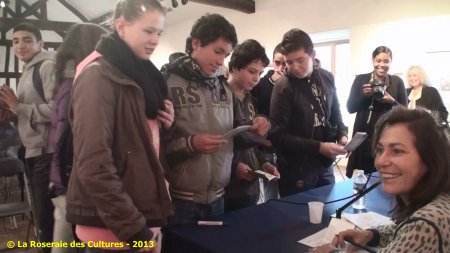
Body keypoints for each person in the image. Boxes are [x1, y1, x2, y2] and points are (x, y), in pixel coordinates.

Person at [65, 0, 174, 252]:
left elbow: (141, 145)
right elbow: (93, 164)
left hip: (139, 214)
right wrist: (135, 230)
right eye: (148, 31)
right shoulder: (98, 76)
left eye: (159, 32)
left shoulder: (142, 76)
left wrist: (166, 125)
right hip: (113, 226)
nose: (155, 40)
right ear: (121, 26)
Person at [162, 13, 270, 225]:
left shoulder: (224, 87)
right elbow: (155, 146)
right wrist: (191, 144)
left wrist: (257, 125)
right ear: (196, 43)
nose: (221, 61)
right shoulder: (167, 82)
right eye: (217, 51)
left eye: (226, 54)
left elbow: (238, 133)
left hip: (219, 198)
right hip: (181, 200)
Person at [314, 106, 450, 253]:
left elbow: (418, 229)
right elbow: (403, 229)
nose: (380, 162)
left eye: (397, 151)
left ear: (430, 160)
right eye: (380, 150)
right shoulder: (436, 202)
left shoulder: (427, 223)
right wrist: (371, 235)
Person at [48, 23, 108, 253]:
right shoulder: (80, 81)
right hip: (73, 181)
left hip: (64, 179)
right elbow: (70, 137)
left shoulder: (66, 80)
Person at [269, 29, 348, 197]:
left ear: (312, 55)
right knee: (297, 220)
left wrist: (343, 135)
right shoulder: (283, 87)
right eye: (289, 62)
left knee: (327, 214)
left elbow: (335, 112)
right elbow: (277, 136)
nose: (294, 68)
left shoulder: (327, 77)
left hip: (324, 165)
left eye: (300, 60)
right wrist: (319, 147)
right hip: (296, 169)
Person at [0, 22, 56, 251]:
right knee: (43, 218)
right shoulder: (27, 72)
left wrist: (18, 106)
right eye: (15, 41)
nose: (20, 45)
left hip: (48, 153)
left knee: (47, 219)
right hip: (34, 152)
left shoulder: (47, 67)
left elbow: (59, 112)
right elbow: (25, 114)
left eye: (27, 40)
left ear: (40, 43)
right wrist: (10, 112)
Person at [225, 39, 280, 211]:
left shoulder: (250, 99)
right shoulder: (219, 98)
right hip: (225, 187)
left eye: (260, 73)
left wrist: (263, 163)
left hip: (249, 184)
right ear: (234, 67)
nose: (256, 78)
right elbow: (220, 141)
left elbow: (252, 141)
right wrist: (234, 166)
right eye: (251, 72)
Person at [346, 46, 407, 178]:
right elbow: (350, 108)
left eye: (386, 61)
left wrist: (392, 101)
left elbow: (406, 114)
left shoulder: (397, 82)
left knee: (384, 179)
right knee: (359, 182)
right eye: (378, 60)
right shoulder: (361, 80)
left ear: (391, 62)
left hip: (387, 140)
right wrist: (364, 96)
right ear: (373, 60)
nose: (382, 65)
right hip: (362, 140)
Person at [250, 42, 285, 117]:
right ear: (272, 62)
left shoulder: (296, 82)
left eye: (285, 64)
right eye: (277, 63)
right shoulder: (260, 83)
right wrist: (271, 83)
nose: (280, 68)